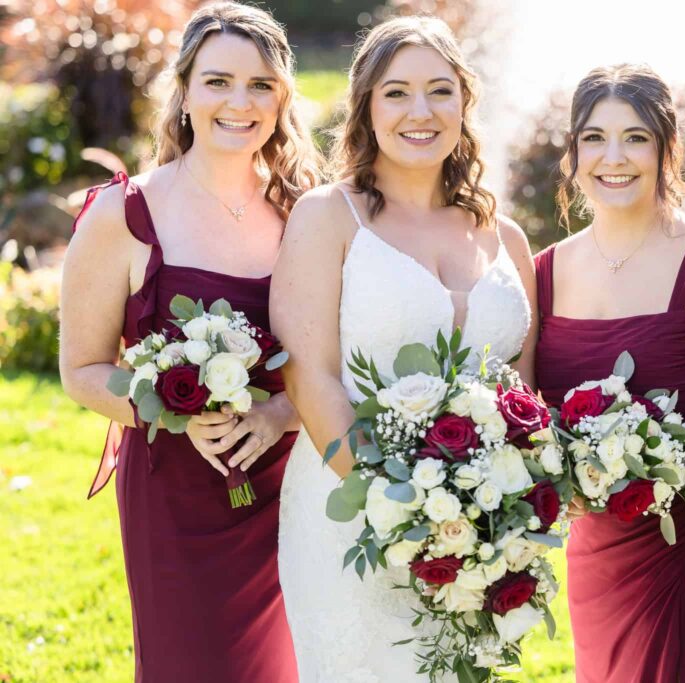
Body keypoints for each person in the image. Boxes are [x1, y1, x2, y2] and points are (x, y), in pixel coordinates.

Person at [270, 16, 537, 681]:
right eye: (397, 92)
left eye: (440, 91)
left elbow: (523, 397)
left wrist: (491, 519)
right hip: (347, 519)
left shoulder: (506, 237)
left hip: (475, 530)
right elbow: (309, 375)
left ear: (464, 104)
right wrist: (391, 512)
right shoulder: (330, 216)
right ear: (365, 106)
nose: (420, 111)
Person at [59, 4, 319, 680]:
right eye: (218, 81)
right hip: (175, 492)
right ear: (184, 90)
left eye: (262, 85)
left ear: (283, 97)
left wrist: (279, 413)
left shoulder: (310, 212)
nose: (241, 102)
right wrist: (169, 411)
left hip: (294, 483)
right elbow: (83, 370)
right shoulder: (125, 213)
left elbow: (335, 357)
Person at [533, 63, 685, 683]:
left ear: (667, 149)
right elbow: (526, 424)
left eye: (635, 137)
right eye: (593, 137)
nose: (612, 157)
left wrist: (672, 461)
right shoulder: (541, 273)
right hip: (597, 554)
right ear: (572, 155)